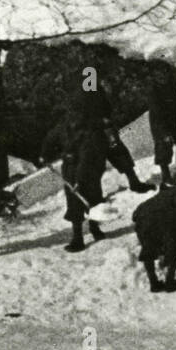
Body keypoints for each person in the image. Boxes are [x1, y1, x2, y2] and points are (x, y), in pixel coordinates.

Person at [40, 91, 112, 252]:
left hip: (89, 168)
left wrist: (80, 180)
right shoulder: (63, 126)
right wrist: (44, 154)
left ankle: (95, 228)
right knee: (74, 203)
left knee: (93, 199)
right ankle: (78, 238)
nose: (74, 115)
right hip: (70, 168)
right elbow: (50, 138)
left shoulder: (90, 130)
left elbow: (87, 156)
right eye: (71, 111)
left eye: (78, 111)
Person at [132, 182, 176, 292]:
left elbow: (134, 217)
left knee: (148, 248)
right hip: (164, 220)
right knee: (174, 248)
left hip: (143, 217)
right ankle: (170, 282)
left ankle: (154, 283)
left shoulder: (161, 196)